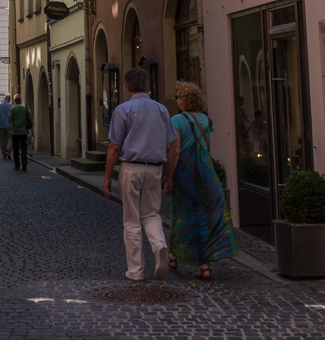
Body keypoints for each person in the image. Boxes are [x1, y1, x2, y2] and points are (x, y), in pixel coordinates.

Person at [102, 67, 179, 282]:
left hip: (131, 168)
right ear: (146, 85)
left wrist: (108, 176)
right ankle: (160, 245)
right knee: (152, 214)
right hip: (155, 167)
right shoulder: (162, 110)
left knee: (132, 219)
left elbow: (114, 147)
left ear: (127, 87)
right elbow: (173, 147)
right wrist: (169, 175)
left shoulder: (123, 110)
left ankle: (136, 270)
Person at [167, 80, 237, 281]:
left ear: (184, 100)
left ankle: (187, 259)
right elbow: (206, 147)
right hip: (206, 172)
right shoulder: (207, 121)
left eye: (178, 97)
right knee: (206, 215)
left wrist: (169, 176)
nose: (177, 100)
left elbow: (175, 150)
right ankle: (193, 260)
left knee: (182, 214)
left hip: (185, 173)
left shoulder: (177, 121)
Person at [9, 93, 30, 171]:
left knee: (16, 149)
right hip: (24, 131)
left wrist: (15, 119)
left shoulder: (12, 108)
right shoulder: (25, 107)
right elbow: (30, 117)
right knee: (24, 148)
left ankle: (17, 165)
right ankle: (24, 162)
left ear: (14, 101)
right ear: (21, 100)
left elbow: (10, 120)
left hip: (15, 131)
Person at [0, 93, 13, 159]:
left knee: (3, 139)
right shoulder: (11, 106)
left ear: (5, 99)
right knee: (10, 138)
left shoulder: (0, 106)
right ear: (9, 100)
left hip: (1, 125)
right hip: (9, 125)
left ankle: (3, 152)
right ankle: (8, 150)